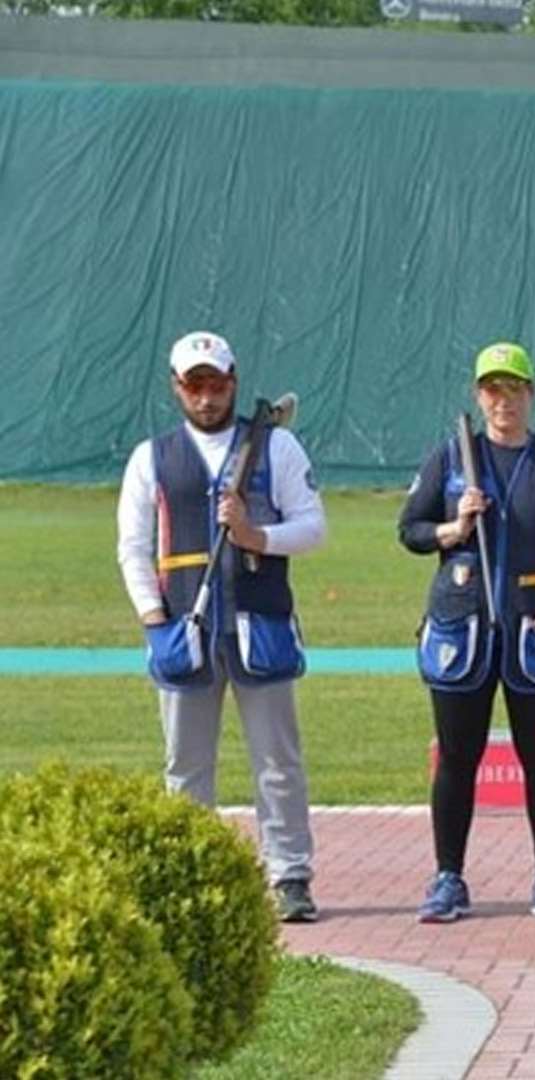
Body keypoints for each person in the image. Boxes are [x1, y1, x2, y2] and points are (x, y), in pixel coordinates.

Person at [116, 331, 326, 923]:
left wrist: (257, 536)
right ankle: (192, 876)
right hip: (184, 628)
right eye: (195, 385)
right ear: (177, 388)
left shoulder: (276, 449)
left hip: (261, 625)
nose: (206, 396)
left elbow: (312, 527)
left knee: (278, 761)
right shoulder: (150, 458)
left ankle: (289, 875)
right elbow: (132, 549)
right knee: (185, 766)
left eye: (216, 383)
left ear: (233, 382)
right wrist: (154, 621)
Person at [399, 342, 535, 923]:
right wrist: (454, 525)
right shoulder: (450, 459)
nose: (502, 401)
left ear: (530, 394)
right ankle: (448, 878)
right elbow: (409, 530)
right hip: (462, 628)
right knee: (456, 758)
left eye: (513, 389)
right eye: (492, 389)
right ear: (478, 395)